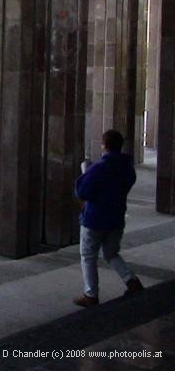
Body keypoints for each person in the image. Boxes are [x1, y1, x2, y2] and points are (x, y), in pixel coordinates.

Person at [73, 129, 144, 307]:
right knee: (111, 253)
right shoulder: (127, 167)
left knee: (88, 256)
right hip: (116, 217)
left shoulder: (99, 168)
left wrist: (85, 172)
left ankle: (91, 294)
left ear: (104, 146)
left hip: (95, 219)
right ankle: (131, 280)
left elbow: (82, 191)